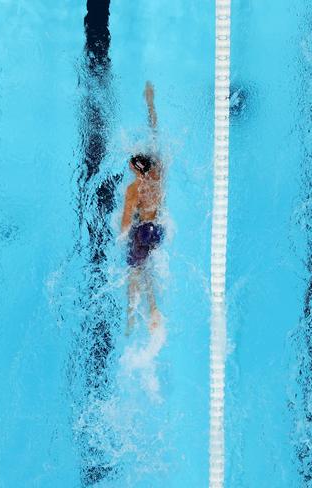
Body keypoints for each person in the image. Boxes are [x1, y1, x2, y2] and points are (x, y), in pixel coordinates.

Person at [121, 82, 164, 336]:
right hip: (158, 230)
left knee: (135, 273)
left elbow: (126, 223)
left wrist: (122, 234)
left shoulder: (133, 189)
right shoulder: (158, 175)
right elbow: (155, 133)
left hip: (141, 232)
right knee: (150, 268)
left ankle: (134, 317)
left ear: (137, 169)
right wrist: (151, 103)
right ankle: (154, 310)